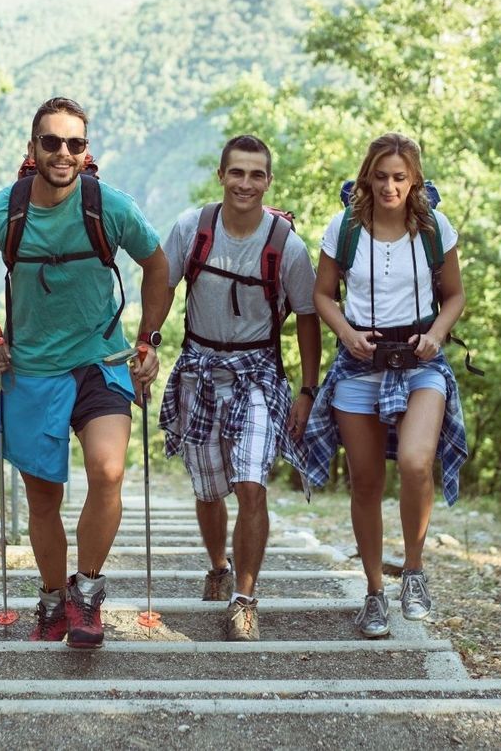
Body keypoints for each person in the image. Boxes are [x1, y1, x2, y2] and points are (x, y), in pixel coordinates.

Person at [0, 96, 169, 650]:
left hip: (100, 362)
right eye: (52, 142)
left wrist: (148, 339)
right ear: (32, 149)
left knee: (109, 471)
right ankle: (51, 597)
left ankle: (87, 592)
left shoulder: (110, 207)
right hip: (33, 370)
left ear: (86, 150)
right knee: (43, 501)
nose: (63, 153)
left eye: (74, 143)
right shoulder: (0, 214)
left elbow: (158, 264)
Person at [289, 132, 469, 639]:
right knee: (365, 483)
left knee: (415, 463)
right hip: (359, 364)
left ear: (415, 180)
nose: (390, 186)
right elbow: (323, 295)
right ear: (367, 175)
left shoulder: (435, 228)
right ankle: (373, 593)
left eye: (400, 177)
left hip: (420, 362)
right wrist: (346, 332)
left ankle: (413, 572)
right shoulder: (344, 228)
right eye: (381, 175)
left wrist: (436, 334)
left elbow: (454, 296)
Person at [143, 134, 321, 642]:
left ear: (268, 181)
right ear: (221, 176)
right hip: (199, 367)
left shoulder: (287, 246)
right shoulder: (191, 229)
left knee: (251, 484)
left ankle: (245, 598)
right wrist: (147, 341)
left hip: (259, 372)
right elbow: (162, 281)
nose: (246, 183)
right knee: (208, 488)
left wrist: (307, 390)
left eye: (256, 174)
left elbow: (308, 317)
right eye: (237, 173)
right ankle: (217, 566)